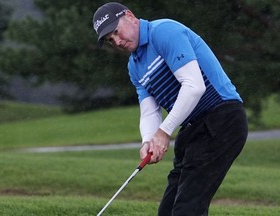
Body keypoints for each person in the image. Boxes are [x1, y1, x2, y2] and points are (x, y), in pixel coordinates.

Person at [93, 2, 248, 216]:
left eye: (116, 32)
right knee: (168, 211)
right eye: (111, 40)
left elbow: (194, 87)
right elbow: (149, 111)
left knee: (187, 209)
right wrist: (148, 140)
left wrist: (164, 132)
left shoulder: (164, 31)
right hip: (193, 129)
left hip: (222, 118)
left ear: (130, 16)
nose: (117, 41)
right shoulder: (134, 66)